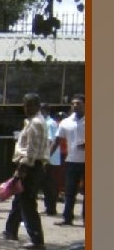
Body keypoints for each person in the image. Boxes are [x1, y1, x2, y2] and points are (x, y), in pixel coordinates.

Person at [3, 93, 49, 250]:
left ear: (37, 105)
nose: (26, 108)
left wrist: (22, 169)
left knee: (27, 203)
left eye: (30, 105)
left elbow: (31, 150)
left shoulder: (36, 123)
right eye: (25, 104)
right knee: (19, 200)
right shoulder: (31, 121)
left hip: (30, 166)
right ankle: (10, 231)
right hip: (29, 165)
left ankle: (37, 239)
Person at [52, 94, 85, 226]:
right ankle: (67, 217)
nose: (75, 106)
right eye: (73, 103)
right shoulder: (66, 122)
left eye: (78, 103)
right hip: (72, 160)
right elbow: (57, 141)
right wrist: (47, 156)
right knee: (70, 191)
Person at [40, 103, 60, 216]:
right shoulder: (45, 123)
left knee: (49, 184)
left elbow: (50, 140)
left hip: (49, 158)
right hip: (47, 157)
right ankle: (49, 207)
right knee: (46, 183)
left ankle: (51, 208)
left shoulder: (49, 123)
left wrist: (45, 156)